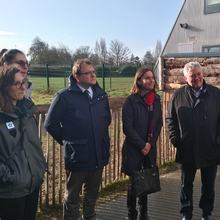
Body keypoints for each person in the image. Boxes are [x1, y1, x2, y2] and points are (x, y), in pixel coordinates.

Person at [44, 58, 111, 220]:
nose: (93, 75)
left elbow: (106, 119)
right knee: (72, 196)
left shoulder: (101, 95)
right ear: (77, 77)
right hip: (78, 155)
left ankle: (90, 217)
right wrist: (69, 141)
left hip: (98, 152)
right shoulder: (63, 97)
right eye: (88, 73)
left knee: (92, 192)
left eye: (93, 72)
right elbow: (50, 124)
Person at [166, 61, 220, 220]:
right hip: (187, 147)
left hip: (210, 147)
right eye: (192, 76)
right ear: (185, 78)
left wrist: (218, 140)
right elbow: (170, 119)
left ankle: (206, 213)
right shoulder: (178, 95)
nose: (197, 78)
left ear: (203, 74)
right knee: (185, 185)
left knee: (209, 186)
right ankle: (186, 213)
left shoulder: (216, 94)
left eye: (199, 74)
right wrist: (176, 139)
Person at [0, 65, 46, 220]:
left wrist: (39, 169)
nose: (23, 87)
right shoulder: (1, 118)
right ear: (4, 87)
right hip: (11, 191)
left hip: (32, 185)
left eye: (24, 82)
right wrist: (10, 178)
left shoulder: (26, 113)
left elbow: (34, 146)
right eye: (17, 83)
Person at [121, 67, 163, 220]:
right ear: (138, 81)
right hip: (134, 148)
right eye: (147, 78)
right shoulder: (131, 100)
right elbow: (127, 127)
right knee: (134, 181)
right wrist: (142, 145)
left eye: (152, 77)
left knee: (145, 180)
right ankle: (132, 213)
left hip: (149, 148)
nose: (151, 80)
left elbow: (159, 124)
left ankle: (143, 212)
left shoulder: (157, 99)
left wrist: (150, 144)